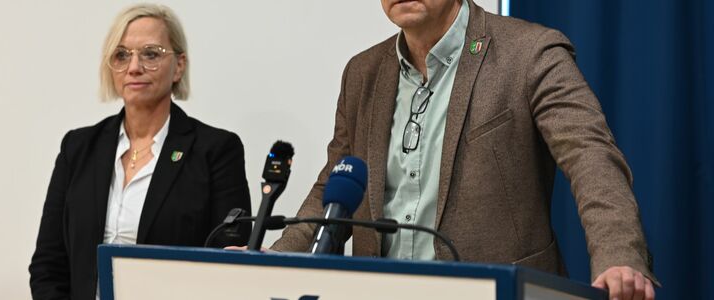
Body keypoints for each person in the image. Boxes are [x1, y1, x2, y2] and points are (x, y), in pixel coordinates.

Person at [270, 0, 657, 299]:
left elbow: (591, 158)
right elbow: (332, 187)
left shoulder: (530, 52)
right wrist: (269, 261)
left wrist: (619, 258)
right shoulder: (362, 72)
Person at [28, 4, 251, 300]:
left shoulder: (217, 150)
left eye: (151, 53)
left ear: (179, 65)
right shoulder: (78, 147)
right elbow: (48, 264)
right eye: (122, 55)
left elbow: (227, 267)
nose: (134, 67)